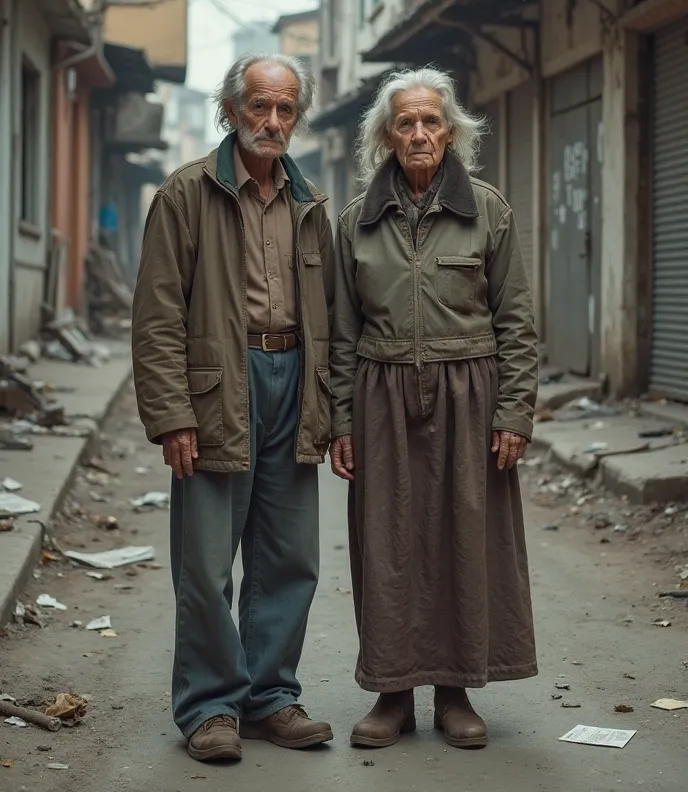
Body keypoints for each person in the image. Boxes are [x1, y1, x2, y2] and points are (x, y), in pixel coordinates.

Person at [132, 53, 334, 763]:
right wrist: (171, 413)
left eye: (285, 109)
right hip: (220, 382)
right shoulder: (186, 195)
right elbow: (156, 315)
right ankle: (210, 705)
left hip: (294, 380)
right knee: (207, 560)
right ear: (231, 111)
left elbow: (330, 315)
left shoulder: (311, 203)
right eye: (259, 107)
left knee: (289, 556)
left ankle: (271, 696)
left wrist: (332, 412)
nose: (272, 121)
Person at [329, 67, 538, 751]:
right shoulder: (356, 221)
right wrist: (342, 420)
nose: (419, 134)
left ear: (451, 131)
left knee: (465, 541)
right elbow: (340, 332)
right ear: (385, 136)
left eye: (431, 122)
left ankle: (455, 691)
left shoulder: (488, 209)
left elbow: (517, 320)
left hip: (470, 397)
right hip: (381, 393)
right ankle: (393, 692)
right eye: (405, 123)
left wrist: (513, 411)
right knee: (387, 545)